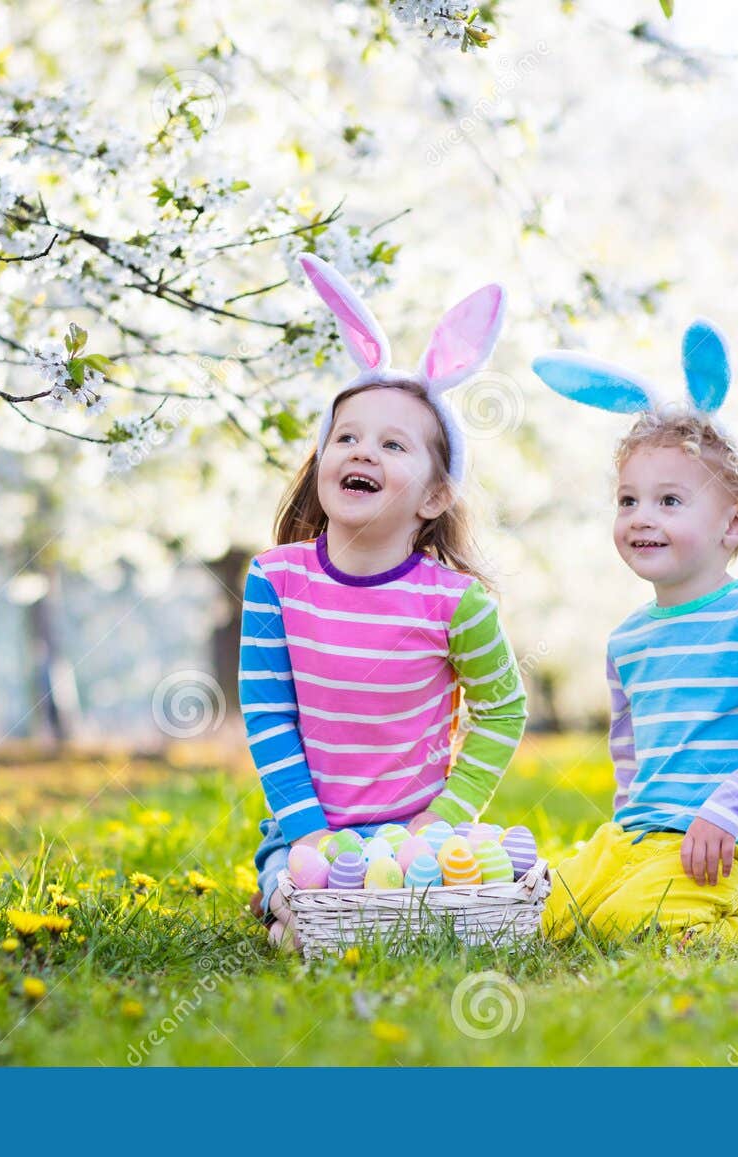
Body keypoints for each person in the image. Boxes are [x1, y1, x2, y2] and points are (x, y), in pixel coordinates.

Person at [242, 254, 528, 950]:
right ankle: (292, 900)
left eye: (392, 444)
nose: (361, 451)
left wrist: (446, 815)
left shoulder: (456, 605)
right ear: (323, 461)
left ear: (434, 496)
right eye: (346, 437)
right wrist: (307, 826)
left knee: (457, 887)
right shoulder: (275, 582)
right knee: (300, 896)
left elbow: (504, 709)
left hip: (414, 835)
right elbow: (269, 712)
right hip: (309, 827)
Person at [530, 322, 738, 942]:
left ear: (736, 524)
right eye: (628, 501)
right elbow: (630, 755)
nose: (642, 517)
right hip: (641, 837)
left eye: (670, 501)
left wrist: (732, 805)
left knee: (629, 924)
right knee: (549, 916)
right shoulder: (629, 640)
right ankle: (636, 891)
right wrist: (623, 834)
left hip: (726, 839)